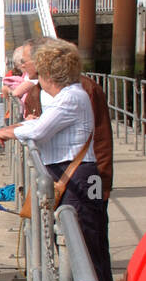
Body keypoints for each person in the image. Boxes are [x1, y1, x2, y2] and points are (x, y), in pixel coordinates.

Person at [0, 40, 113, 281]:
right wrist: (17, 128)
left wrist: (9, 132)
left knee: (87, 241)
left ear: (49, 73)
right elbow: (41, 125)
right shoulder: (66, 96)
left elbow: (40, 130)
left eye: (37, 71)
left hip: (78, 176)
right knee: (79, 238)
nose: (34, 77)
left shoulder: (70, 98)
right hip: (70, 173)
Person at [18, 37, 113, 193]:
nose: (22, 65)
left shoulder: (85, 89)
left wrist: (102, 184)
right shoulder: (34, 93)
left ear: (41, 60)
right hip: (53, 174)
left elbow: (101, 138)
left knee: (82, 216)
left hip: (82, 174)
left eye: (25, 60)